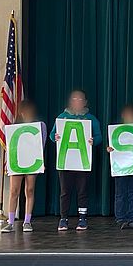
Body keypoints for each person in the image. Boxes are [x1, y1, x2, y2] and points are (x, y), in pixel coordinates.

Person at [49, 89, 102, 232]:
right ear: (70, 101)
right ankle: (63, 219)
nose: (77, 102)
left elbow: (99, 137)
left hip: (82, 161)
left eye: (80, 100)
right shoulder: (62, 117)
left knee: (82, 190)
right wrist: (56, 137)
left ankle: (82, 218)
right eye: (74, 99)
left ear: (85, 102)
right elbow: (52, 134)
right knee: (65, 191)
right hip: (66, 162)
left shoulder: (91, 118)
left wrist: (93, 141)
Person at [1, 100, 45, 233]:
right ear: (21, 112)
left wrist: (41, 162)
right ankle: (11, 222)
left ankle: (27, 221)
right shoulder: (14, 128)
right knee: (14, 191)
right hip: (17, 163)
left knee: (29, 190)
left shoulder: (40, 126)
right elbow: (11, 148)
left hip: (32, 162)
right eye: (26, 111)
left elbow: (40, 146)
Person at [107, 104, 133, 230]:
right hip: (121, 167)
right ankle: (121, 219)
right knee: (120, 194)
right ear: (123, 116)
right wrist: (110, 149)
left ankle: (132, 218)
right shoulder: (116, 130)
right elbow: (112, 147)